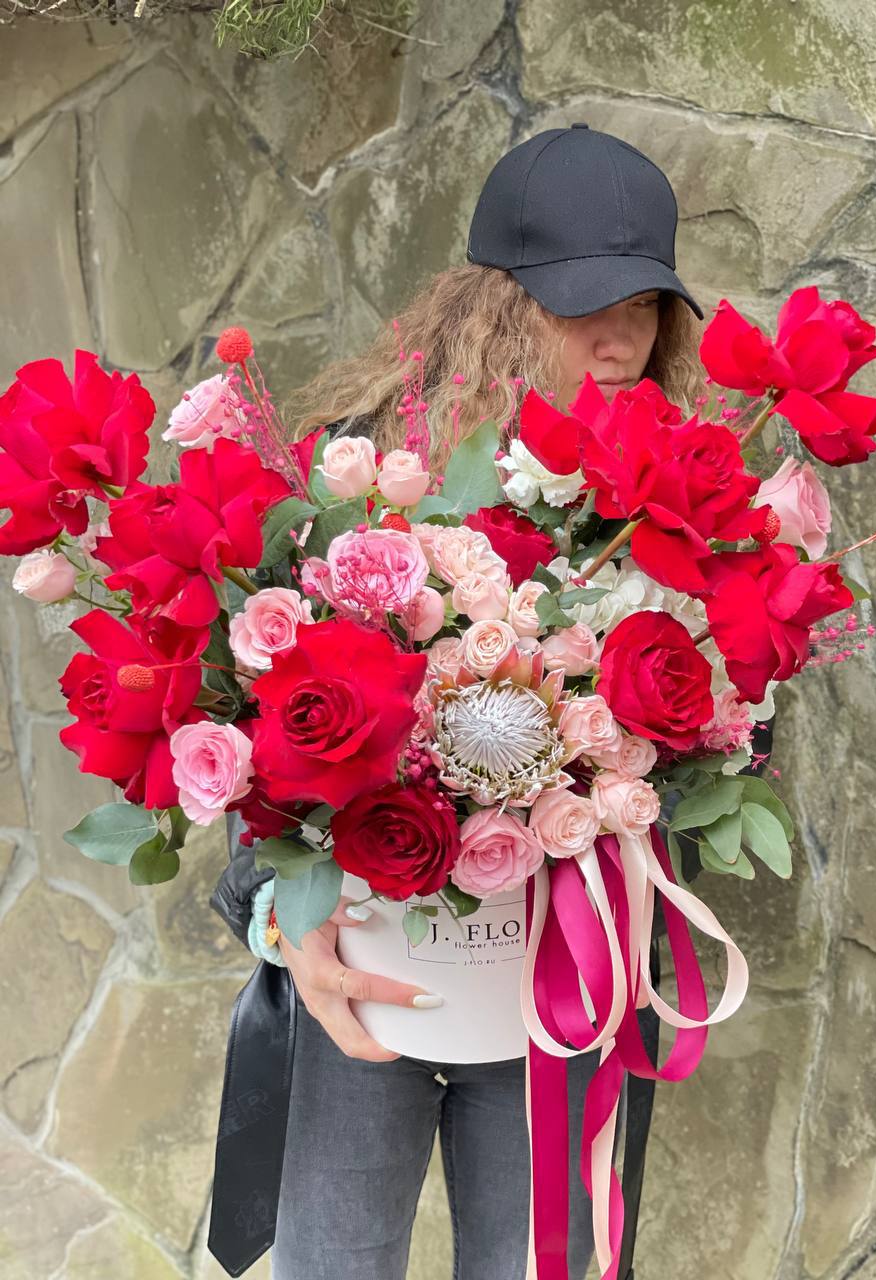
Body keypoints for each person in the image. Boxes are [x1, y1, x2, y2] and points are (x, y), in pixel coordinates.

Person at [208, 123, 772, 1280]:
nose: (620, 336)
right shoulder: (360, 485)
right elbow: (249, 738)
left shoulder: (684, 503)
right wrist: (279, 921)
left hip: (556, 1003)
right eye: (583, 300)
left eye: (646, 303)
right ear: (496, 304)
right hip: (367, 983)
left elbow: (726, 738)